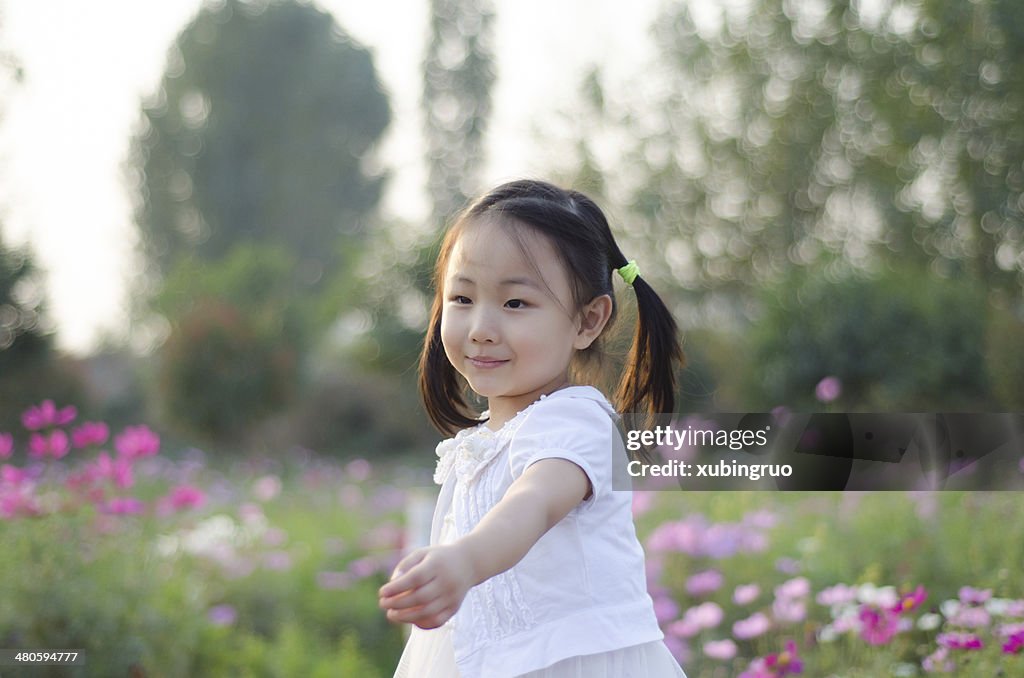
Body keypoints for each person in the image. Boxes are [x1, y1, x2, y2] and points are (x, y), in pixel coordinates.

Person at [379, 179, 687, 678]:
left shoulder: (577, 422)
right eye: (461, 298)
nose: (480, 326)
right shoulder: (482, 439)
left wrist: (464, 561)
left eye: (515, 303)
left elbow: (534, 501)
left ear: (589, 321)